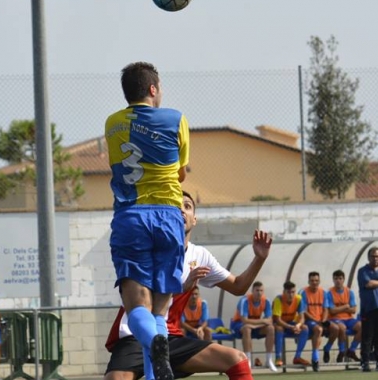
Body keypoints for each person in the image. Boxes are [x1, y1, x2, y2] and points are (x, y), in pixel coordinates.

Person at [104, 191, 276, 380]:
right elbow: (141, 299)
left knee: (237, 359)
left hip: (169, 337)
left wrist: (259, 258)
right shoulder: (149, 248)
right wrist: (182, 287)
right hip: (134, 335)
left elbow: (238, 287)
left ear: (194, 219)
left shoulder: (199, 255)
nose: (181, 211)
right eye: (176, 206)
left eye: (187, 206)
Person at [105, 61, 190, 380]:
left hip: (130, 216)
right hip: (169, 215)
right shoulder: (176, 119)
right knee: (160, 309)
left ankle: (155, 344)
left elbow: (118, 164)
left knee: (136, 306)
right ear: (153, 89)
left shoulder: (112, 123)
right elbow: (181, 172)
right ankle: (157, 355)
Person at [230, 281, 276, 370]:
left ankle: (269, 360)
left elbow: (270, 320)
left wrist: (255, 325)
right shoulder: (245, 300)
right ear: (252, 291)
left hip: (255, 326)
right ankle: (248, 360)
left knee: (271, 328)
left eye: (261, 290)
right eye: (257, 290)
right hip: (238, 324)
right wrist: (262, 321)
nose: (259, 293)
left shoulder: (266, 301)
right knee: (247, 329)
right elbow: (245, 320)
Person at [323, 270, 361, 364]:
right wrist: (345, 306)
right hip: (335, 319)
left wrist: (339, 309)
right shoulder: (329, 293)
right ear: (333, 279)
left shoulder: (349, 292)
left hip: (349, 318)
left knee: (362, 326)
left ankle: (351, 350)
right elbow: (332, 311)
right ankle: (341, 351)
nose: (338, 281)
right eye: (336, 278)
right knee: (342, 328)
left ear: (343, 279)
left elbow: (354, 310)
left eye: (340, 278)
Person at [272, 281, 311, 368]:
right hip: (279, 324)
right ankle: (278, 357)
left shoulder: (299, 299)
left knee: (305, 328)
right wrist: (291, 327)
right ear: (284, 292)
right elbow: (277, 320)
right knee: (279, 328)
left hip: (290, 324)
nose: (291, 295)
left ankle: (297, 357)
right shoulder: (278, 299)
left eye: (293, 292)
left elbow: (302, 317)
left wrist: (298, 325)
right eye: (288, 292)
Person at [299, 271, 330, 371]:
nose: (314, 282)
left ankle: (331, 350)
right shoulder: (303, 292)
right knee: (319, 330)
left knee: (336, 328)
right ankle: (315, 358)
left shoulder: (323, 292)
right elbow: (303, 311)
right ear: (308, 281)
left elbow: (325, 309)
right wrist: (316, 320)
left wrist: (324, 320)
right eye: (312, 280)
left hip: (320, 320)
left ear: (319, 281)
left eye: (316, 280)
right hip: (309, 321)